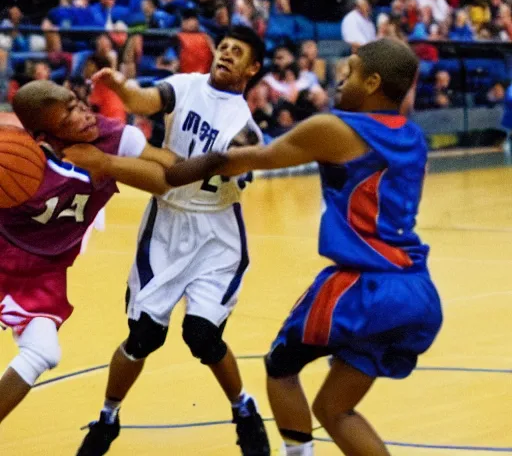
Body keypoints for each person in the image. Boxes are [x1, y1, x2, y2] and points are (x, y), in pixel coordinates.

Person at [65, 38, 443, 456]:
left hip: (364, 286)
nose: (337, 78)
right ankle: (114, 416)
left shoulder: (333, 128)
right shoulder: (414, 136)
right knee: (334, 410)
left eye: (350, 71)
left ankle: (284, 443)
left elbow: (248, 158)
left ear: (372, 82)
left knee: (280, 369)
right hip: (417, 289)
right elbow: (145, 98)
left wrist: (162, 169)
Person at [70, 25, 270, 456]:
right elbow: (146, 100)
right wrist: (124, 89)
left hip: (216, 233)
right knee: (143, 335)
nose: (227, 54)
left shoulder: (248, 132)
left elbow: (182, 172)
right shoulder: (186, 85)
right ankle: (107, 417)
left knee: (201, 336)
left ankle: (244, 408)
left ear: (252, 69)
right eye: (224, 47)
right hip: (166, 223)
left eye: (238, 52)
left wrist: (122, 163)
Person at [0, 79, 160, 425]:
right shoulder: (17, 155)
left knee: (43, 352)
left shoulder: (114, 139)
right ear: (43, 136)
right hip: (4, 251)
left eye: (77, 103)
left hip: (44, 270)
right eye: (67, 115)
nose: (83, 115)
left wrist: (107, 164)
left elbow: (164, 178)